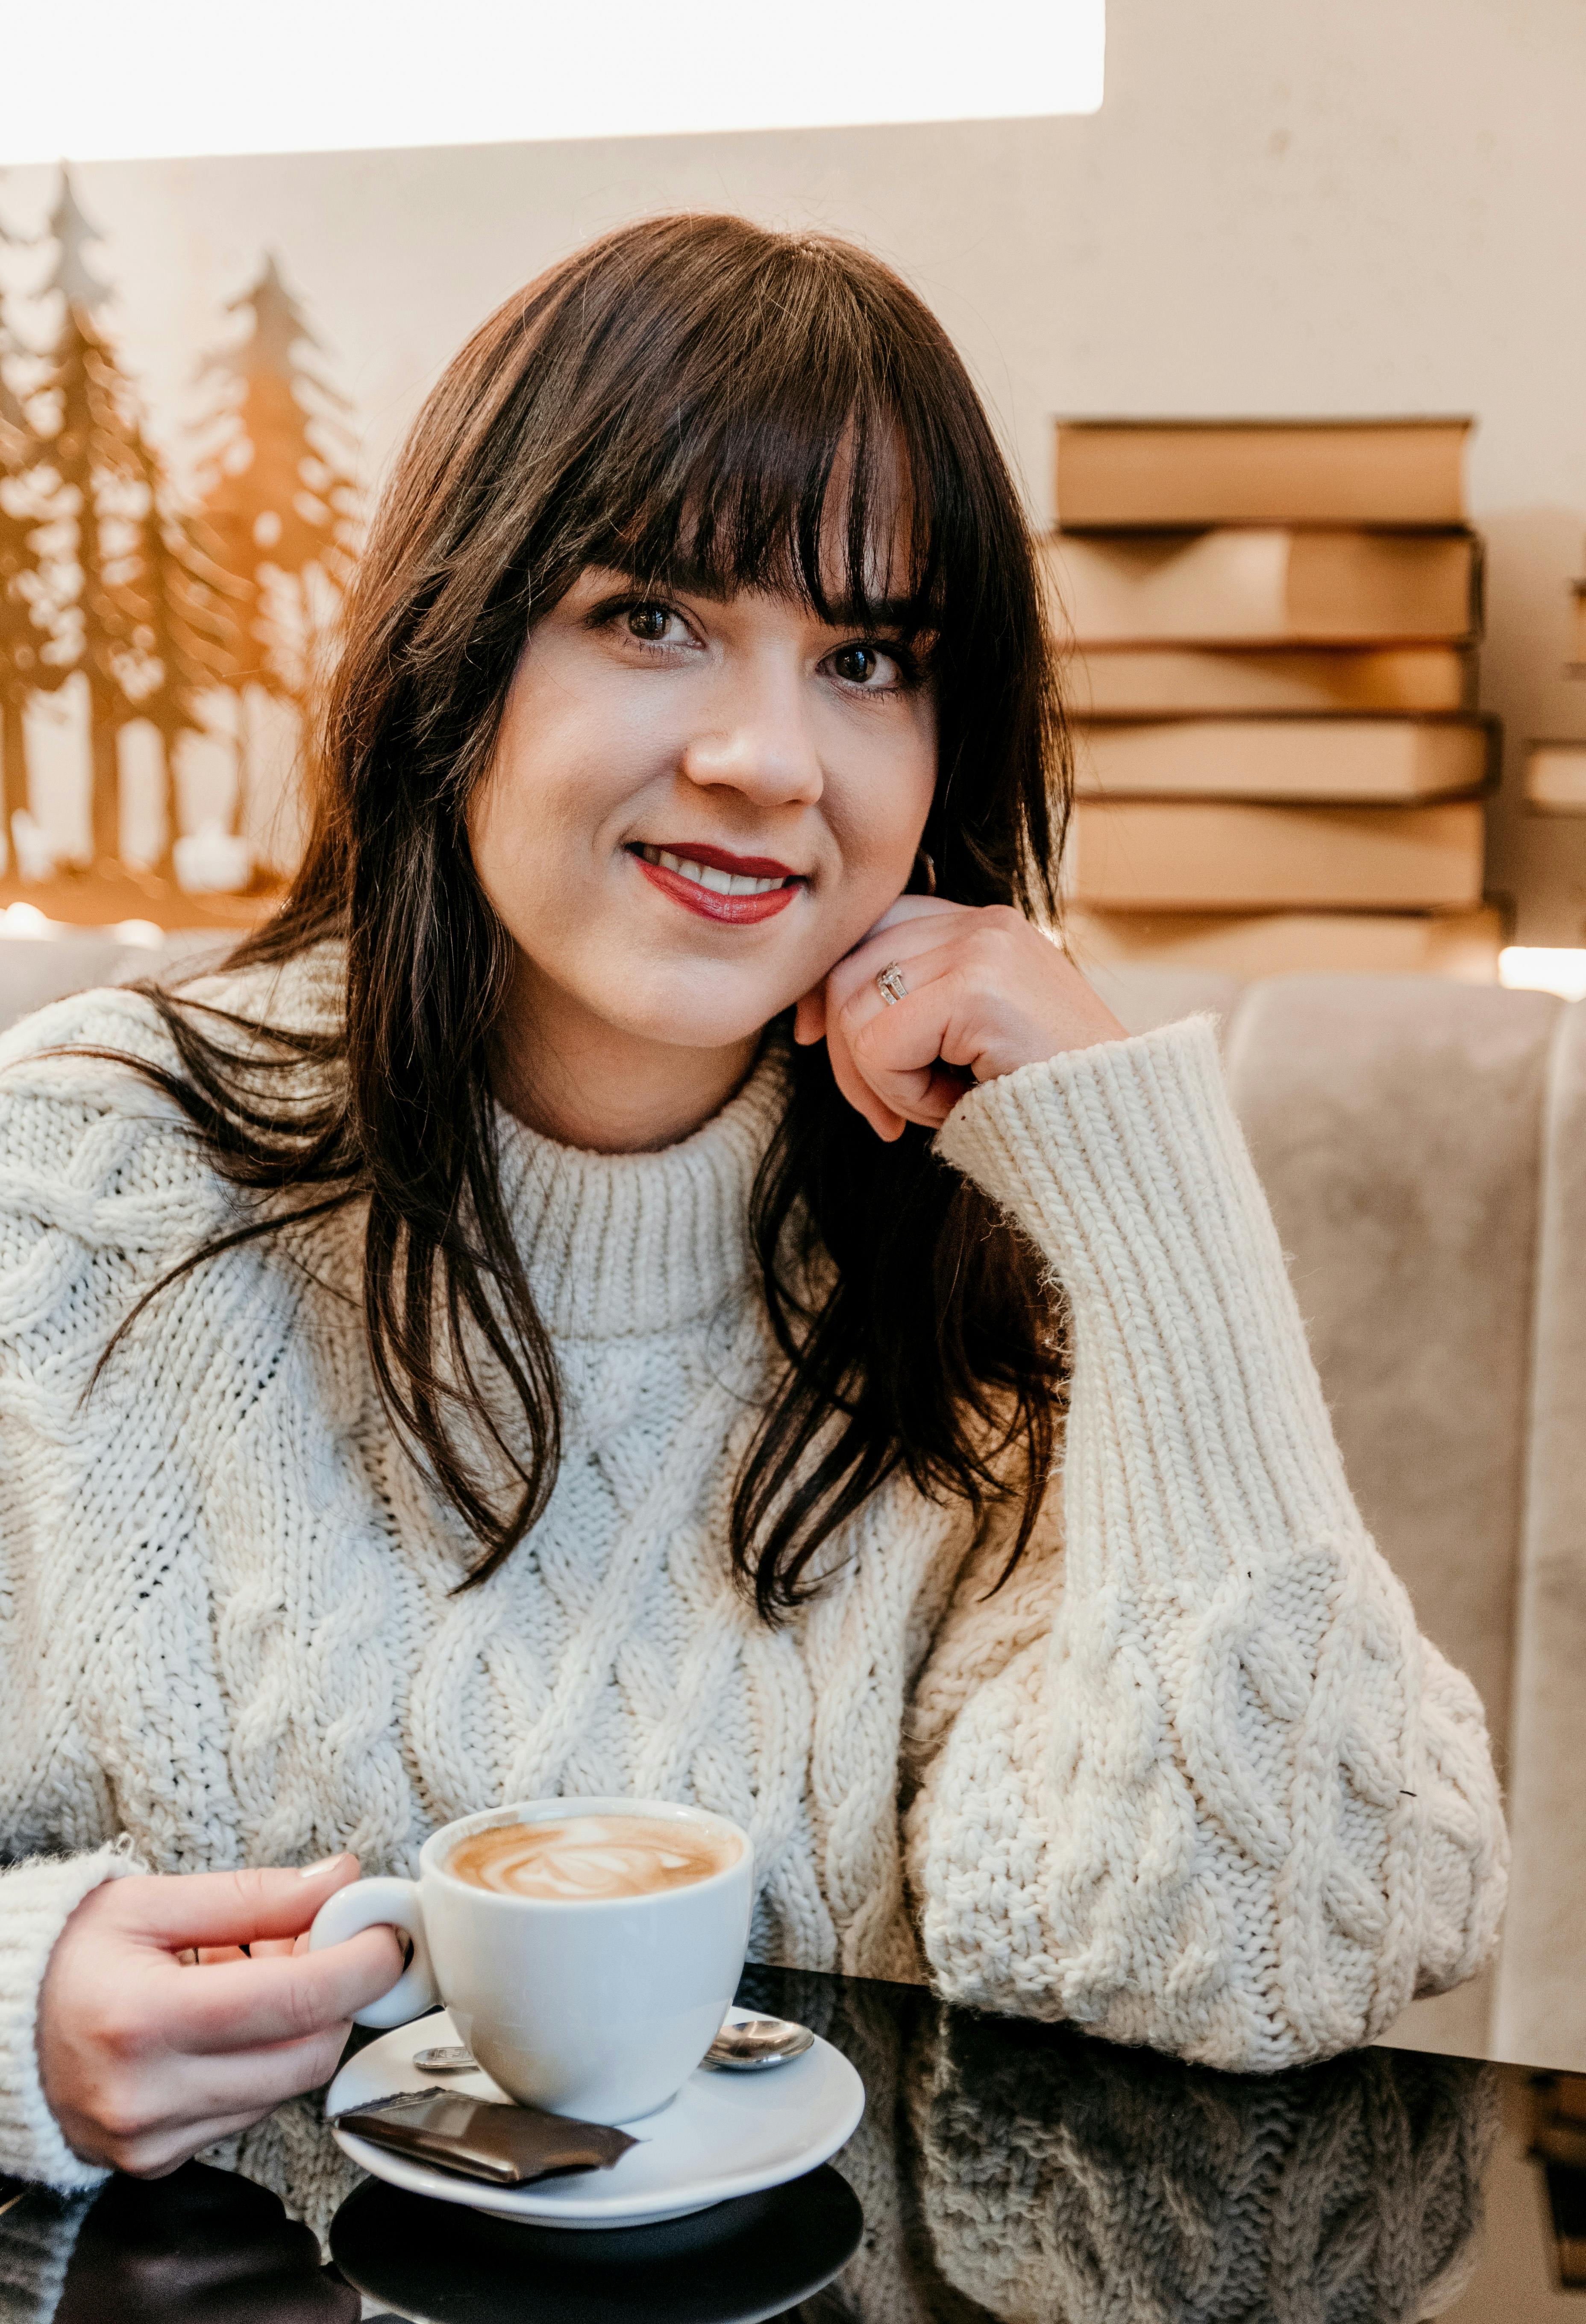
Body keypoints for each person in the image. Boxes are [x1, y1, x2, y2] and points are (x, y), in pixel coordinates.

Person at [0, 215, 1506, 2192]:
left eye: (867, 658)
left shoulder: (976, 1287)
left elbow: (1271, 1948)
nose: (764, 758)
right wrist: (18, 2014)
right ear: (459, 649)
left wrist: (1155, 1198)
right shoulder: (90, 1181)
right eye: (651, 616)